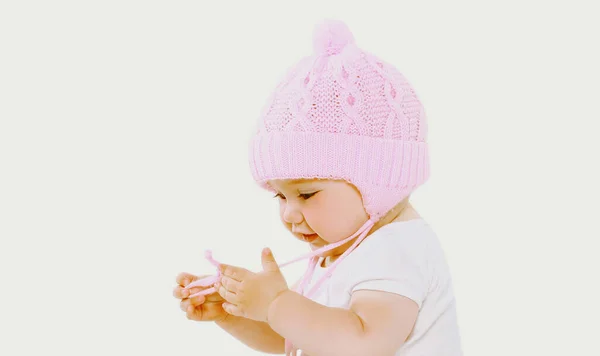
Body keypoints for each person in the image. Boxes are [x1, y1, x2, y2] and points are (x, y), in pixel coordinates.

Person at [173, 19, 463, 356]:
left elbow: (364, 343)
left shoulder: (396, 250)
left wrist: (276, 304)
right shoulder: (341, 251)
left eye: (306, 194)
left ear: (377, 183)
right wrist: (235, 312)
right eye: (280, 196)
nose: (289, 213)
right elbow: (296, 338)